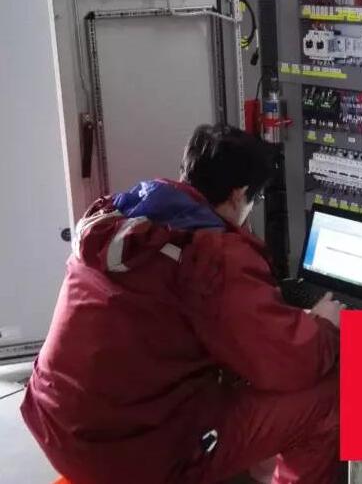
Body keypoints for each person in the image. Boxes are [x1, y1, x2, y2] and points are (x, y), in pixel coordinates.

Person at [22, 123, 344, 484]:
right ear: (239, 195)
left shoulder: (120, 219)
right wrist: (325, 325)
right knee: (333, 397)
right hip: (129, 453)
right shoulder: (210, 255)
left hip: (56, 423)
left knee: (243, 372)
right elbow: (290, 361)